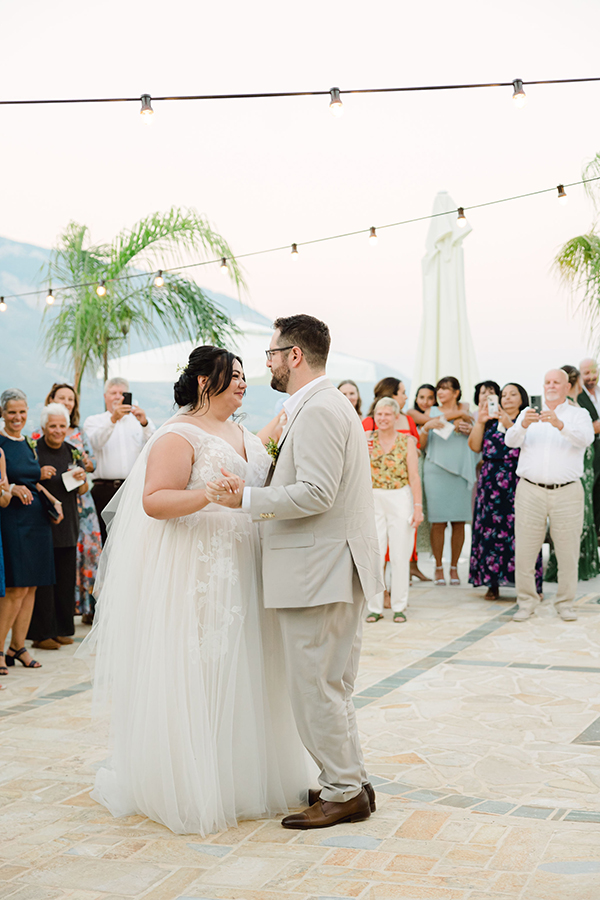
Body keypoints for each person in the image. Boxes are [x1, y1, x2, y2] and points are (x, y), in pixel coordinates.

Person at [77, 346, 309, 835]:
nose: (245, 382)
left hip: (244, 561)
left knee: (247, 664)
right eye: (236, 376)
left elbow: (255, 471)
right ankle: (194, 781)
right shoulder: (177, 434)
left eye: (247, 375)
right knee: (204, 666)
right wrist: (208, 495)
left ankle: (244, 776)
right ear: (206, 381)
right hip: (199, 568)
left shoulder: (241, 432)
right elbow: (154, 501)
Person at [209, 314, 381, 830]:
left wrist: (246, 498)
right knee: (330, 684)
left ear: (294, 355)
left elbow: (316, 492)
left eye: (270, 354)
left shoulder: (321, 409)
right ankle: (350, 780)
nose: (267, 364)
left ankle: (344, 790)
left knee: (315, 687)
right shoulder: (320, 405)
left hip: (318, 570)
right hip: (326, 566)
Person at [506, 369, 594, 622]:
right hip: (530, 490)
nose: (551, 386)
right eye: (547, 382)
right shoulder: (528, 412)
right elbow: (510, 441)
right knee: (525, 550)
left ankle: (565, 603)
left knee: (567, 552)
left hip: (567, 491)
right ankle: (526, 602)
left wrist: (559, 424)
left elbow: (586, 439)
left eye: (557, 382)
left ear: (567, 387)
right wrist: (522, 425)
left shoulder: (579, 414)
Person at [468, 383, 543, 599]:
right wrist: (480, 421)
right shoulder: (490, 420)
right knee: (490, 533)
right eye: (504, 395)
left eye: (513, 394)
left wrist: (508, 423)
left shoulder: (528, 419)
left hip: (519, 481)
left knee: (525, 533)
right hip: (490, 483)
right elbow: (474, 446)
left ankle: (531, 585)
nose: (507, 398)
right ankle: (492, 583)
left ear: (522, 398)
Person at [0, 389, 56, 674]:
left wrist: (51, 499)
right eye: (12, 412)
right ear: (2, 413)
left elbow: (32, 479)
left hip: (37, 521)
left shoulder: (28, 443)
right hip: (12, 519)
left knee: (32, 585)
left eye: (22, 412)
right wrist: (10, 487)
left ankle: (17, 647)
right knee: (15, 587)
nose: (18, 417)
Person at [34, 384, 101, 624]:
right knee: (54, 563)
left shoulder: (77, 438)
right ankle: (50, 621)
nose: (66, 402)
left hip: (79, 503)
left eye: (70, 398)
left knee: (84, 557)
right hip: (49, 505)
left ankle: (82, 611)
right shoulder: (36, 438)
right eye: (61, 397)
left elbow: (91, 464)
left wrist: (83, 470)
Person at [28, 404, 88, 650]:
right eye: (52, 426)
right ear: (43, 427)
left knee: (65, 578)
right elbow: (26, 478)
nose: (57, 430)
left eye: (61, 426)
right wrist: (39, 474)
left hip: (69, 521)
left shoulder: (72, 451)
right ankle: (42, 633)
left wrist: (81, 479)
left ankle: (63, 628)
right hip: (42, 521)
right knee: (44, 580)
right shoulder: (34, 451)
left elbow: (83, 489)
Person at [364, 398, 423, 624]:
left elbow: (414, 476)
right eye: (379, 414)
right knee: (375, 553)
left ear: (396, 417)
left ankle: (399, 606)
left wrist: (418, 508)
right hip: (374, 497)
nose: (383, 418)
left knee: (400, 555)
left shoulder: (406, 441)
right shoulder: (367, 439)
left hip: (400, 496)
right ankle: (375, 606)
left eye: (387, 414)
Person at [420, 376, 477, 586]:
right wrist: (427, 427)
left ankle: (454, 567)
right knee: (438, 521)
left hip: (461, 472)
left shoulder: (467, 412)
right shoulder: (430, 413)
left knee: (460, 521)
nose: (441, 393)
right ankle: (438, 566)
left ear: (456, 392)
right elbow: (422, 444)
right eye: (439, 389)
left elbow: (476, 439)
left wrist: (469, 429)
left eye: (446, 389)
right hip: (436, 471)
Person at [84, 378, 155, 543]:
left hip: (132, 489)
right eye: (113, 393)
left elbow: (154, 445)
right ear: (105, 396)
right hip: (104, 490)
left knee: (131, 540)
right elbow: (94, 443)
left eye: (121, 393)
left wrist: (144, 423)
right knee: (104, 539)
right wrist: (113, 420)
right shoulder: (94, 421)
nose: (117, 396)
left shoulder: (139, 421)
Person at [546, 366, 600, 583]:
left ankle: (584, 562)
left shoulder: (580, 402)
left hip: (588, 462)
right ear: (574, 382)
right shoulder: (568, 406)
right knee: (579, 513)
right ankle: (566, 565)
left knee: (586, 512)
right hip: (577, 465)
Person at [578, 358, 600, 537]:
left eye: (594, 372)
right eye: (586, 373)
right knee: (592, 492)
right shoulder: (578, 397)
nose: (591, 377)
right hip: (590, 451)